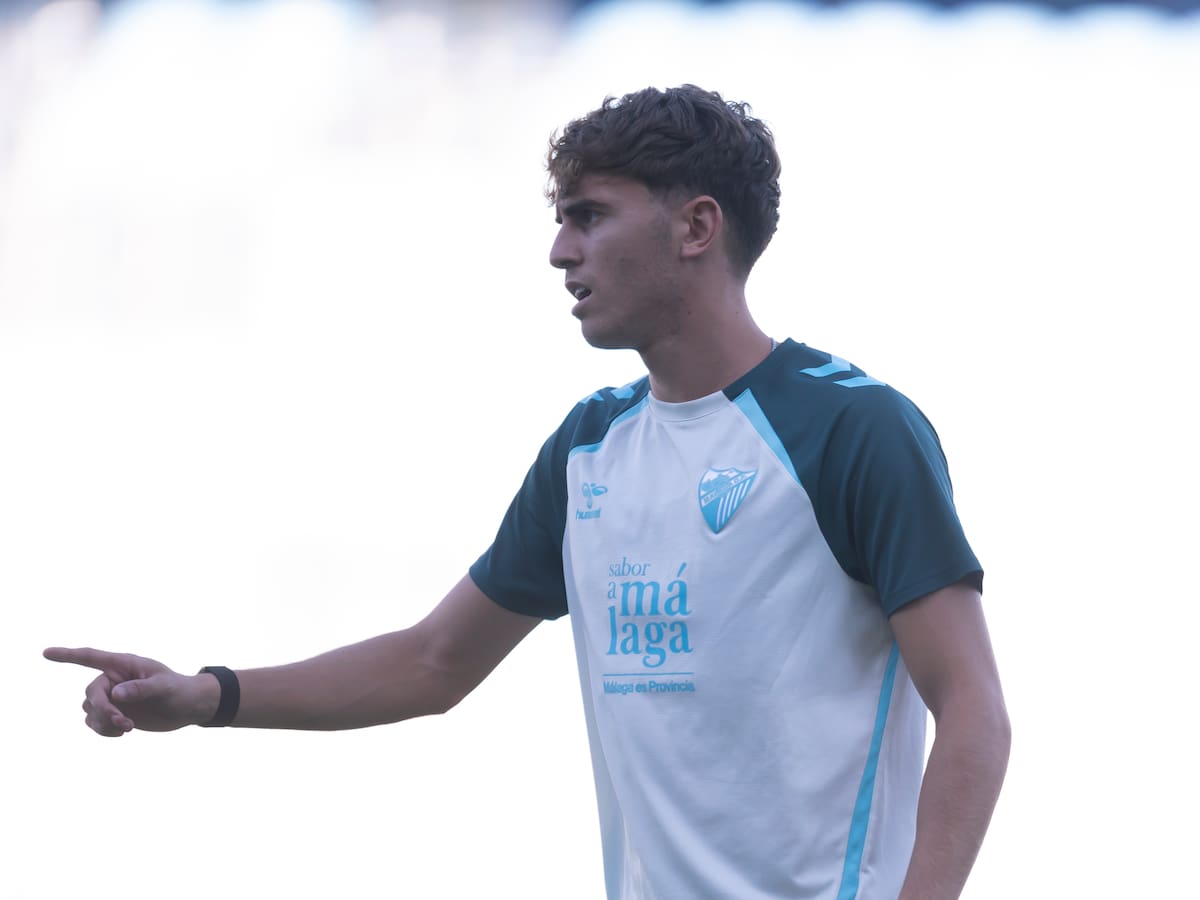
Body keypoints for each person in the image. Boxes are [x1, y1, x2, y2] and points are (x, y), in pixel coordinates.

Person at [45, 85, 1010, 900]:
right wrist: (207, 695)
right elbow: (431, 661)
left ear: (696, 227)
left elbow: (973, 711)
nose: (559, 250)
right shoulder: (589, 447)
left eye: (589, 215)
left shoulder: (854, 427)